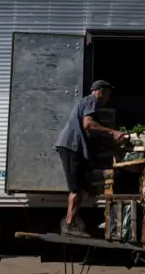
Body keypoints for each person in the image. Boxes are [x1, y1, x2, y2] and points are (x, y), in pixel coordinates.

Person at [54, 80, 126, 237]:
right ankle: (68, 225)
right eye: (108, 93)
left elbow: (92, 131)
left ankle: (70, 221)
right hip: (71, 147)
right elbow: (88, 124)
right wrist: (112, 132)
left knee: (80, 187)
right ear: (100, 91)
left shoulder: (87, 103)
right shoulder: (92, 101)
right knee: (76, 189)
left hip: (74, 148)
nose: (108, 97)